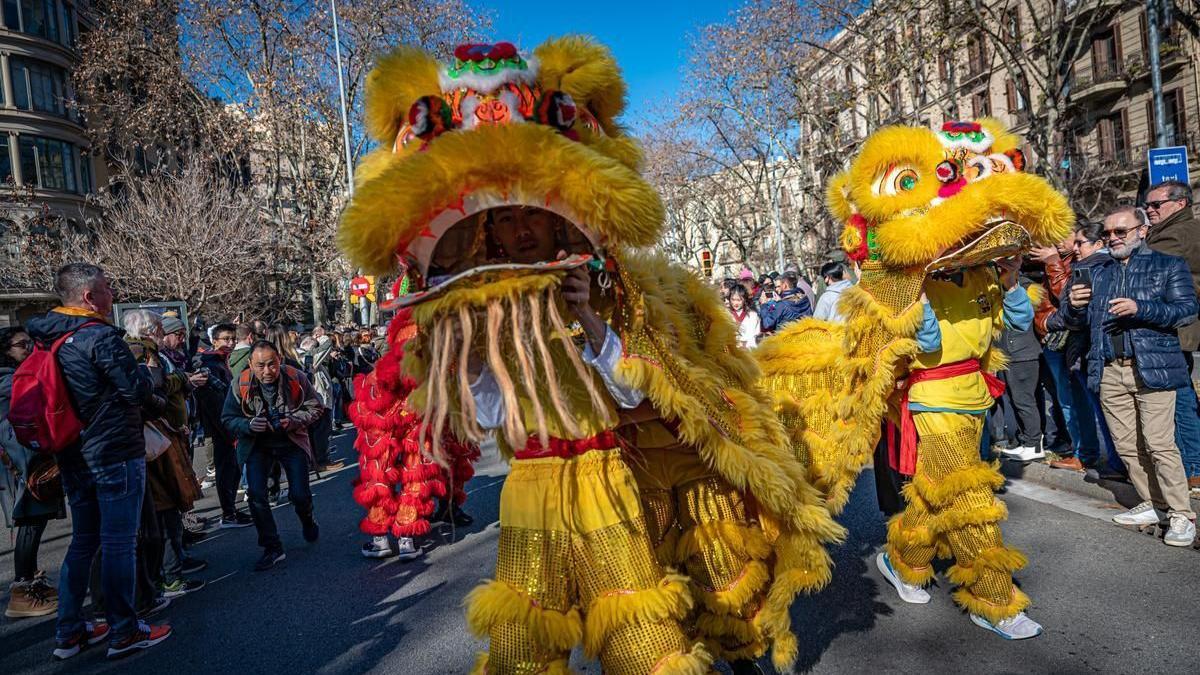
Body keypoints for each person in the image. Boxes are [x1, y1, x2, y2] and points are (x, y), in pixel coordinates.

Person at [26, 263, 172, 659]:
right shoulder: (99, 338)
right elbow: (137, 390)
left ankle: (69, 631)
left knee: (84, 541)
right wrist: (151, 380)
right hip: (113, 451)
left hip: (74, 453)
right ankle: (125, 630)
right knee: (119, 543)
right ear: (89, 297)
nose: (113, 295)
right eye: (108, 288)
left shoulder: (48, 337)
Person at [1065, 205, 1197, 547]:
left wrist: (1142, 309)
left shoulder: (1168, 265)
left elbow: (1186, 311)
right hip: (1109, 367)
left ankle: (1182, 514)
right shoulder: (1096, 271)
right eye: (1107, 233)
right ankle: (1154, 502)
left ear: (1141, 231)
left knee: (1158, 443)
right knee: (1127, 445)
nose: (1112, 239)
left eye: (1120, 232)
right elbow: (1074, 322)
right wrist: (1074, 305)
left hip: (1152, 366)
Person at [122, 311, 206, 598]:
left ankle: (173, 565)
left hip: (165, 432)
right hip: (154, 439)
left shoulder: (150, 351)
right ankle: (168, 577)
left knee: (171, 505)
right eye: (159, 327)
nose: (162, 332)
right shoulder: (140, 352)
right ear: (151, 329)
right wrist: (179, 380)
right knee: (165, 505)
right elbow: (152, 388)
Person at [221, 341, 324, 571]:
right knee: (256, 494)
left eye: (272, 364)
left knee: (300, 494)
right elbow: (227, 418)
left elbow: (316, 407)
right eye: (260, 366)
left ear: (280, 360)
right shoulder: (240, 383)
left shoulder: (295, 376)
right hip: (257, 445)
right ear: (250, 364)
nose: (267, 371)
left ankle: (307, 519)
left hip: (291, 441)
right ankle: (272, 546)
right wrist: (248, 424)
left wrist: (293, 420)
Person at [0, 326, 65, 619]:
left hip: (27, 459)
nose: (28, 348)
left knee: (34, 521)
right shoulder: (8, 379)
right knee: (29, 521)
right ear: (5, 351)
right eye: (21, 345)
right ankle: (22, 591)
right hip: (21, 462)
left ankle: (31, 584)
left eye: (30, 343)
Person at [1143, 179, 1200, 492]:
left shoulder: (1178, 234)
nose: (1150, 211)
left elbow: (1143, 264)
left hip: (1175, 329)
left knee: (1179, 400)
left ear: (1180, 204)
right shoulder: (1168, 230)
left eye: (1156, 205)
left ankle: (1193, 467)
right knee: (1178, 398)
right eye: (1148, 206)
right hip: (1172, 328)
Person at [192, 323, 251, 528]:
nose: (231, 343)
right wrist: (228, 430)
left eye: (233, 339)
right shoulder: (209, 364)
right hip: (222, 427)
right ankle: (228, 514)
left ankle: (231, 511)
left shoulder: (222, 361)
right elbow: (213, 403)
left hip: (231, 422)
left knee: (233, 470)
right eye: (226, 339)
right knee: (226, 470)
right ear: (214, 340)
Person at [993, 275, 1044, 461]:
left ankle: (1034, 444)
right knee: (1016, 400)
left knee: (1025, 401)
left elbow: (1022, 317)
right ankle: (1025, 441)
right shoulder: (998, 286)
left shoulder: (1025, 286)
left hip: (1022, 354)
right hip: (1009, 353)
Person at [727, 284, 761, 349]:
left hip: (749, 351)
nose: (735, 303)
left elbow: (755, 335)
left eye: (739, 300)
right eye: (733, 299)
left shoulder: (753, 315)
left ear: (744, 299)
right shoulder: (726, 314)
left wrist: (745, 345)